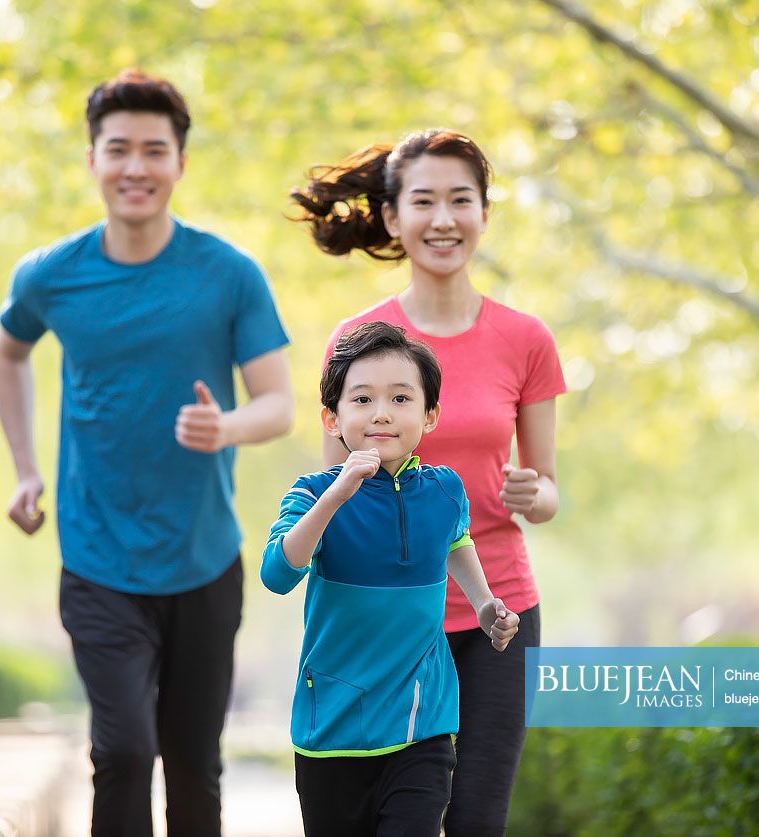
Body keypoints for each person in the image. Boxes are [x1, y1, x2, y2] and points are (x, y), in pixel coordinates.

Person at [0, 68, 294, 837]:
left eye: (153, 150)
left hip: (204, 558)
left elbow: (279, 405)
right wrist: (26, 468)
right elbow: (9, 354)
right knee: (123, 749)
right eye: (117, 148)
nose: (135, 167)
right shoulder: (50, 275)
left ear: (180, 163)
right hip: (98, 558)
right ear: (91, 159)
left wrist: (224, 427)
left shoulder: (228, 274)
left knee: (193, 765)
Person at [290, 129, 566, 836]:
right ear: (391, 217)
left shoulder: (525, 338)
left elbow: (546, 490)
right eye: (423, 200)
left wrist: (532, 493)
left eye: (460, 200)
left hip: (492, 614)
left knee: (476, 820)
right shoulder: (358, 338)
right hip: (380, 622)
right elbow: (332, 489)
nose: (442, 218)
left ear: (482, 213)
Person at [261, 321, 520, 837]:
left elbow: (456, 541)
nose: (382, 412)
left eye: (401, 398)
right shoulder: (311, 494)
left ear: (430, 415)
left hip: (421, 724)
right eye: (362, 399)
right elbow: (277, 572)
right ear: (332, 418)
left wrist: (487, 603)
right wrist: (338, 493)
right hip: (332, 728)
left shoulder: (445, 488)